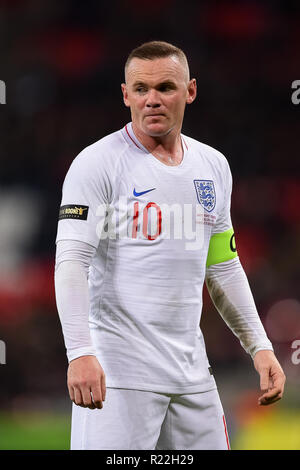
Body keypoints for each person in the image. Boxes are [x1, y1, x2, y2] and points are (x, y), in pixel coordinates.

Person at [54, 41, 286, 450]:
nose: (152, 99)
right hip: (119, 374)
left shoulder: (213, 165)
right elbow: (71, 261)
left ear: (190, 91)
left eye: (166, 87)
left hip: (192, 374)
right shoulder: (96, 164)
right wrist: (79, 352)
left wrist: (260, 346)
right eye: (141, 89)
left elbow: (223, 265)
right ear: (125, 94)